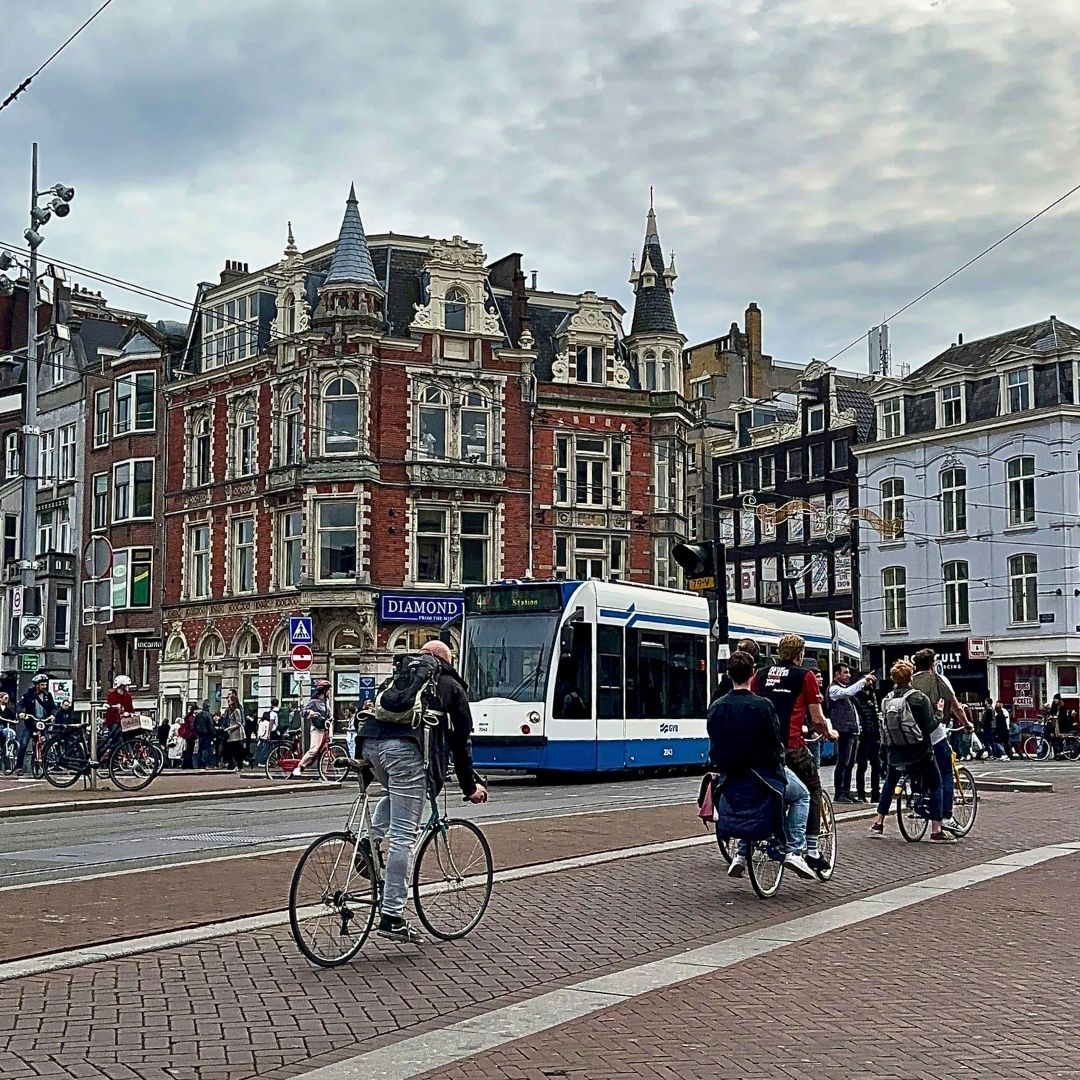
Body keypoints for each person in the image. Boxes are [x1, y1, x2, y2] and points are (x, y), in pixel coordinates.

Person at [359, 640, 487, 942]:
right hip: (407, 752)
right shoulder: (449, 684)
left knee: (395, 794)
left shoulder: (399, 676)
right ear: (445, 660)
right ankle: (392, 915)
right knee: (405, 834)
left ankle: (369, 841)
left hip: (370, 747)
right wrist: (470, 787)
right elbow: (461, 741)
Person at [707, 650, 815, 880]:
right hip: (764, 773)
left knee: (748, 803)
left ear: (728, 674)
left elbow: (714, 744)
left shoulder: (716, 707)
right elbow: (775, 743)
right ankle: (795, 850)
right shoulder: (763, 706)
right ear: (753, 674)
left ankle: (740, 852)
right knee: (802, 795)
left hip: (732, 775)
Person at [751, 633, 838, 874]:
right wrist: (830, 733)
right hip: (792, 746)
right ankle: (810, 849)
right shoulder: (805, 676)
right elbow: (817, 718)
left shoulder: (761, 675)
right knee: (812, 789)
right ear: (800, 655)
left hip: (763, 747)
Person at [870, 659, 955, 843]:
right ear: (910, 677)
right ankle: (936, 829)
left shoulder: (887, 699)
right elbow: (930, 726)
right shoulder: (918, 698)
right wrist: (939, 712)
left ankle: (879, 822)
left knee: (890, 782)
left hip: (895, 752)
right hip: (919, 752)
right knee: (936, 784)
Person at [911, 649, 966, 833]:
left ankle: (920, 798)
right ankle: (946, 815)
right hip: (934, 734)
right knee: (946, 773)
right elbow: (956, 705)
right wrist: (967, 724)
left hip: (911, 736)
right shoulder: (937, 679)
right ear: (933, 664)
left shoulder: (908, 682)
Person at [827, 664, 875, 803]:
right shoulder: (834, 689)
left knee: (849, 764)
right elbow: (848, 692)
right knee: (843, 762)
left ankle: (846, 792)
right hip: (844, 731)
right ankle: (839, 793)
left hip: (852, 731)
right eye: (845, 673)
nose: (848, 675)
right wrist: (863, 680)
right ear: (837, 674)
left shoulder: (843, 690)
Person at [290, 680, 333, 776]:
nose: (329, 692)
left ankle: (323, 774)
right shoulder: (314, 702)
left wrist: (330, 717)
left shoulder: (327, 701)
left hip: (325, 727)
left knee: (326, 751)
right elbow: (302, 712)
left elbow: (329, 714)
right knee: (314, 749)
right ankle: (300, 766)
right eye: (328, 690)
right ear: (323, 691)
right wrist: (310, 712)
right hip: (316, 728)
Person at [17, 672, 56, 773]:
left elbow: (53, 707)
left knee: (48, 742)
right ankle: (19, 767)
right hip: (30, 724)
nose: (44, 686)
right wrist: (22, 713)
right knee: (23, 745)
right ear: (36, 685)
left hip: (43, 724)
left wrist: (52, 715)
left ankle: (46, 764)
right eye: (42, 684)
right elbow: (20, 705)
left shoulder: (48, 696)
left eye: (45, 684)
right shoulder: (28, 695)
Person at [853, 673, 881, 803]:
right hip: (864, 735)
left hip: (873, 734)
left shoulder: (871, 693)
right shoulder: (856, 695)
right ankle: (861, 793)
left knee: (876, 765)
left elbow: (874, 715)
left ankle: (875, 792)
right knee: (862, 765)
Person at [104, 675, 135, 753]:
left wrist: (129, 713)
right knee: (117, 736)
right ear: (121, 686)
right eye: (126, 685)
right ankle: (112, 752)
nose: (128, 687)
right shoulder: (111, 695)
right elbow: (109, 707)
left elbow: (130, 709)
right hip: (113, 721)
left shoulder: (128, 696)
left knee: (131, 736)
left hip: (124, 722)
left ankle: (128, 754)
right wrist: (112, 708)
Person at [223, 691, 246, 771]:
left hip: (236, 735)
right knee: (234, 751)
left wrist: (229, 728)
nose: (228, 702)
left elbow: (239, 723)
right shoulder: (230, 711)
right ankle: (237, 765)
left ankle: (240, 766)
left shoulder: (237, 710)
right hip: (232, 735)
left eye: (229, 700)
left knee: (236, 751)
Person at [0, 691, 18, 771]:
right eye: (5, 698)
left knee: (11, 734)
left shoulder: (9, 709)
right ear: (0, 699)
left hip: (4, 728)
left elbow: (13, 718)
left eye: (8, 698)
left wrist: (14, 721)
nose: (7, 700)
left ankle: (10, 751)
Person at [194, 700, 214, 768]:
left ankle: (199, 763)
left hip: (200, 734)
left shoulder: (198, 715)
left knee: (200, 748)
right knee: (206, 749)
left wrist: (197, 731)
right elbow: (211, 725)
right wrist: (213, 734)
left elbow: (195, 724)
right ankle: (204, 763)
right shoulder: (208, 715)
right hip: (207, 734)